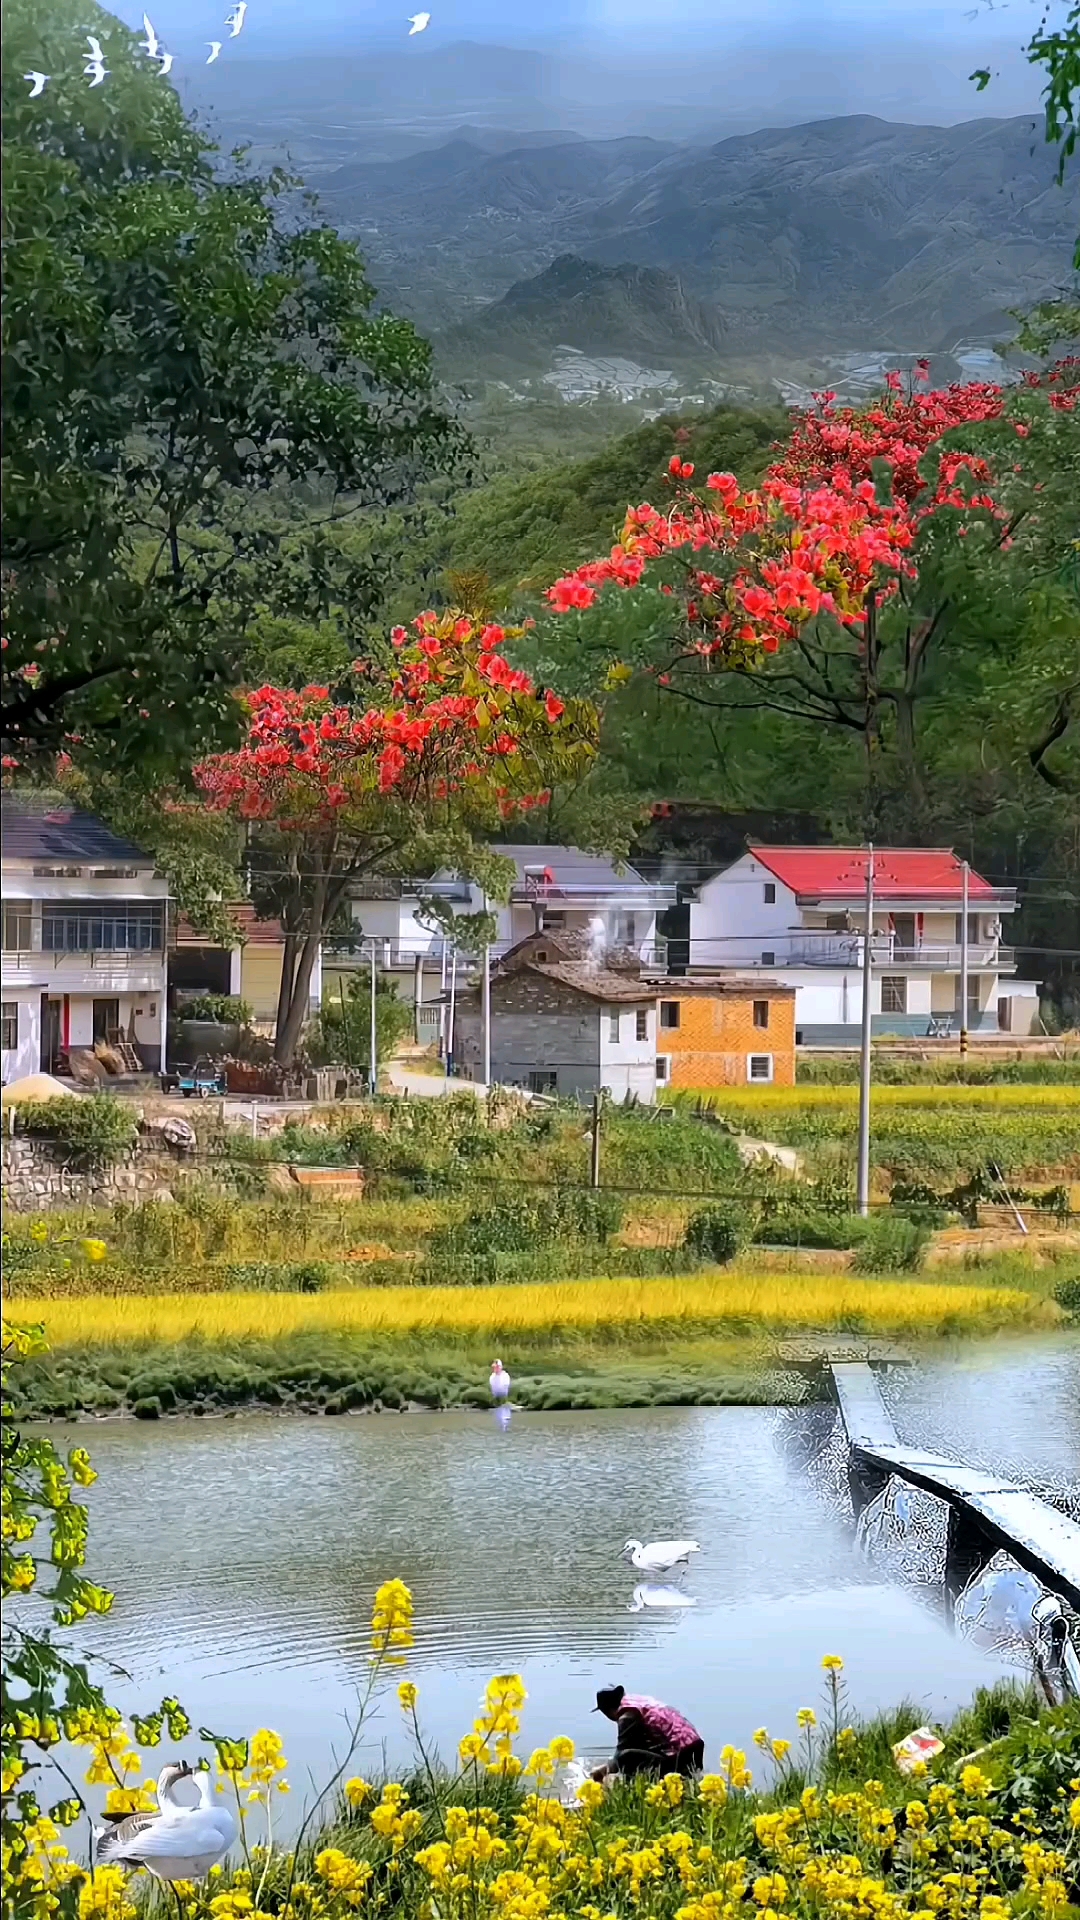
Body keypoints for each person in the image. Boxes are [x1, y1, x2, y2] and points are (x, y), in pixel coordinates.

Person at [590, 1684, 704, 1783]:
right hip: (693, 1745)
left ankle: (635, 1793)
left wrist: (601, 1772)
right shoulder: (640, 1703)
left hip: (680, 1754)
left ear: (608, 1711)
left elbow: (619, 1757)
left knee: (625, 1758)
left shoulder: (627, 1715)